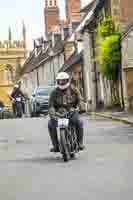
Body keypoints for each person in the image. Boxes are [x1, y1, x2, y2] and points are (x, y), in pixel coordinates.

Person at [48, 72, 85, 152]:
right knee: (50, 124)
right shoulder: (54, 92)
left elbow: (80, 99)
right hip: (59, 114)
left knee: (79, 122)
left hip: (71, 112)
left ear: (68, 80)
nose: (62, 82)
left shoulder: (74, 89)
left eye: (64, 81)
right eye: (60, 81)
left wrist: (82, 108)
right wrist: (52, 114)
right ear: (57, 81)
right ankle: (56, 146)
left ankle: (80, 143)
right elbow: (51, 106)